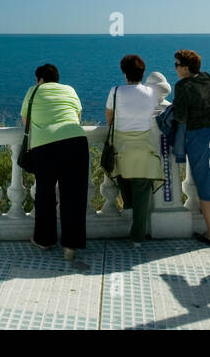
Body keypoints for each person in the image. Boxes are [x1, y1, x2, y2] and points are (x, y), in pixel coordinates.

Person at [22, 62, 89, 268]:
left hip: (46, 146)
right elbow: (77, 116)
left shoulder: (33, 91)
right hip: (76, 142)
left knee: (45, 193)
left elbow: (25, 120)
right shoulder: (70, 90)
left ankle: (44, 240)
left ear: (39, 79)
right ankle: (71, 247)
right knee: (74, 196)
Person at [105, 54, 162, 246]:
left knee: (120, 175)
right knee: (142, 190)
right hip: (144, 145)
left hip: (122, 146)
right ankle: (137, 238)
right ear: (142, 72)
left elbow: (110, 118)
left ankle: (128, 204)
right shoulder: (150, 93)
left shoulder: (115, 91)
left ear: (124, 73)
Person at [172, 48, 210, 246]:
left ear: (185, 69)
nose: (176, 69)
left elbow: (180, 116)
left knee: (205, 182)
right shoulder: (206, 77)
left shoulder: (182, 86)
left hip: (200, 136)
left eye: (177, 65)